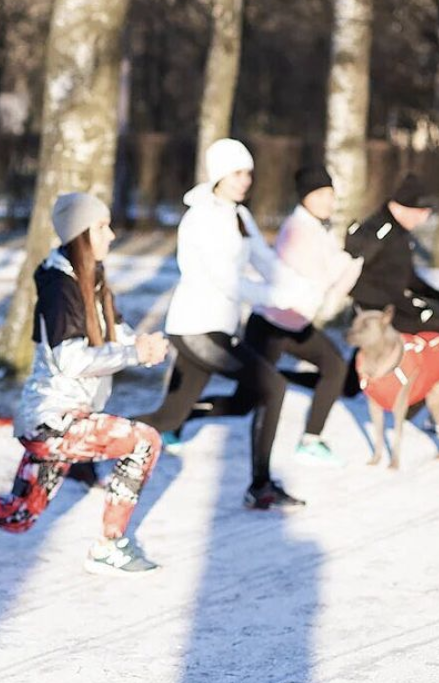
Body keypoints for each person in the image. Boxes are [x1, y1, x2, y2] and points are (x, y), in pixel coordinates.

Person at [0, 193, 170, 575]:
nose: (112, 234)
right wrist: (135, 354)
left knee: (18, 515)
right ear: (80, 234)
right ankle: (110, 546)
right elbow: (71, 359)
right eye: (102, 226)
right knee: (144, 441)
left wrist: (144, 345)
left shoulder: (91, 277)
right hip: (53, 419)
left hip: (65, 416)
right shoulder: (60, 287)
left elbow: (115, 333)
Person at [135, 139, 317, 510]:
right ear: (219, 173)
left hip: (216, 327)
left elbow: (265, 261)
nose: (246, 180)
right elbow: (227, 281)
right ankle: (261, 486)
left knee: (171, 415)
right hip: (196, 327)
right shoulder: (202, 217)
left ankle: (82, 448)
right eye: (238, 173)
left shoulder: (238, 214)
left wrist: (301, 287)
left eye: (249, 173)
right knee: (274, 387)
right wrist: (279, 298)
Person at [237, 165, 361, 465]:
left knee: (334, 367)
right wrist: (349, 258)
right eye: (321, 195)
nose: (328, 201)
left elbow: (337, 285)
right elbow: (320, 279)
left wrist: (354, 258)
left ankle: (311, 439)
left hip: (294, 323)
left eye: (331, 195)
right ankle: (177, 422)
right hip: (270, 324)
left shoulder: (319, 229)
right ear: (306, 197)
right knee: (244, 400)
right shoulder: (297, 230)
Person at [347, 172, 439, 335]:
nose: (422, 220)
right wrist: (406, 306)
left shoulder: (398, 233)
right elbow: (355, 265)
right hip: (376, 312)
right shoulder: (379, 230)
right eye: (420, 212)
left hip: (397, 306)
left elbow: (407, 277)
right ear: (402, 207)